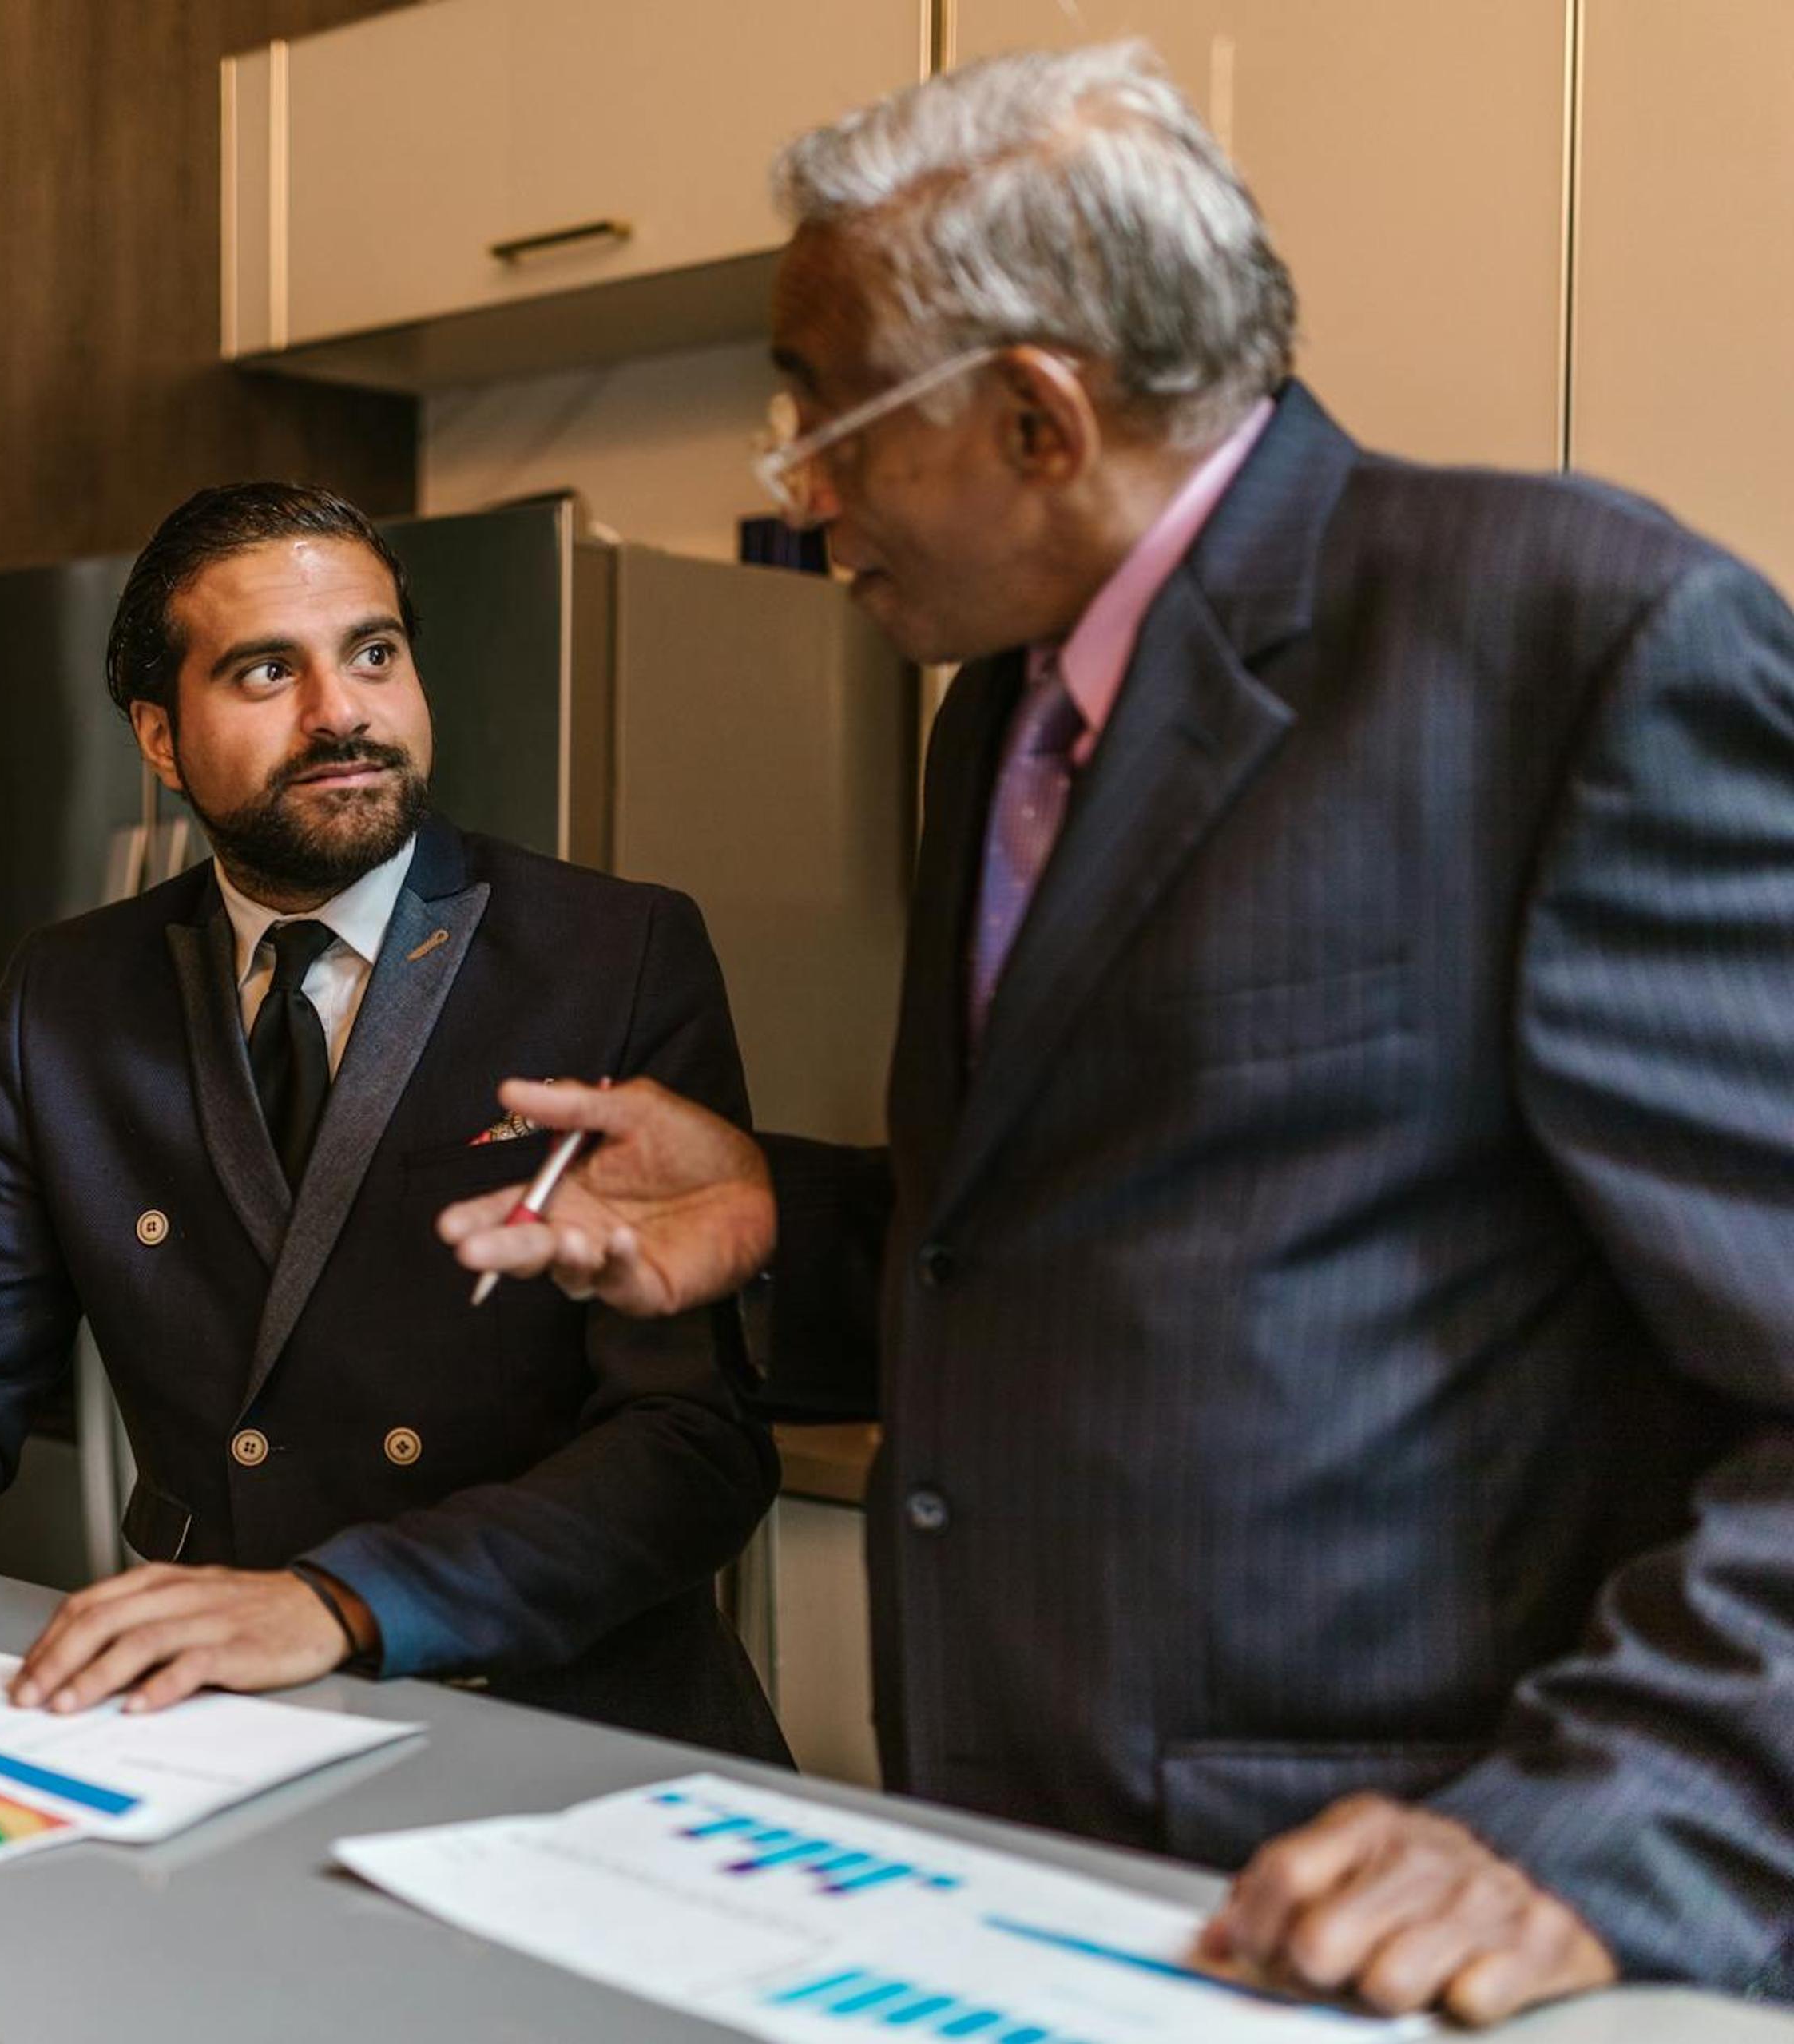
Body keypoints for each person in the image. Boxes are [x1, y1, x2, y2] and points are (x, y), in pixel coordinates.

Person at [442, 42, 1794, 2023]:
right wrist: (779, 1223)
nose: (801, 490)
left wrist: (1615, 1818)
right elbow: (1108, 1237)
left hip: (1420, 1911)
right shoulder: (993, 717)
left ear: (1034, 415)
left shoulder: (1572, 635)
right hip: (1032, 1886)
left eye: (824, 417)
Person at [0, 482, 782, 1756]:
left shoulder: (616, 956)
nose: (343, 713)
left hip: (567, 1724)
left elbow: (689, 1440)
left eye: (374, 654)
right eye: (268, 671)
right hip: (214, 1724)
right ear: (161, 739)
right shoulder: (62, 994)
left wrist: (343, 1601)